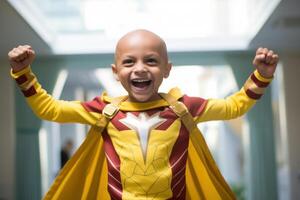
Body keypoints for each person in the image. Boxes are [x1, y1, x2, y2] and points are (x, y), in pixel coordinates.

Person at [8, 29, 278, 200]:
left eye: (151, 60)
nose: (140, 69)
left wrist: (261, 76)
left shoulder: (184, 107)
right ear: (116, 72)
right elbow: (50, 109)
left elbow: (235, 106)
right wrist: (24, 74)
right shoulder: (105, 110)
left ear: (167, 69)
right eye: (129, 62)